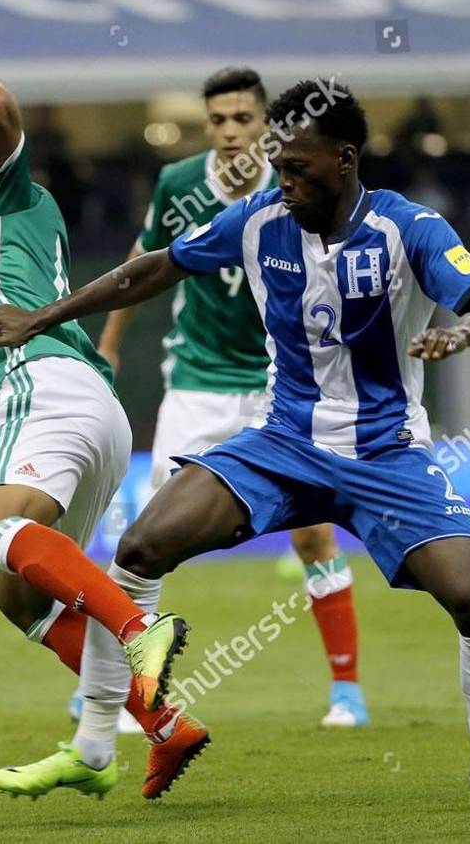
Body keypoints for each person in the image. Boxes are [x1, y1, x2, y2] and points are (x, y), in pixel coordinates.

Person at [0, 80, 470, 814]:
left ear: (344, 160)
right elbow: (154, 266)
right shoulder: (259, 218)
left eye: (299, 168)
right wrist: (43, 316)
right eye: (279, 166)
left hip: (386, 453)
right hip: (282, 444)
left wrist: (460, 332)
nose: (284, 182)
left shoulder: (408, 227)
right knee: (140, 546)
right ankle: (93, 746)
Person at [0, 0, 202, 801]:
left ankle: (137, 627)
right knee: (20, 592)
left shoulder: (0, 199)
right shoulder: (2, 243)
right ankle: (150, 727)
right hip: (91, 411)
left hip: (45, 384)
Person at [92, 67, 367, 729]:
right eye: (217, 120)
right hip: (196, 380)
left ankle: (347, 690)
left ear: (265, 127)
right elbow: (143, 259)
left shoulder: (295, 183)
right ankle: (122, 689)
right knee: (148, 537)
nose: (229, 132)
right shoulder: (179, 185)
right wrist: (109, 343)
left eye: (243, 119)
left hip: (279, 386)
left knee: (312, 533)